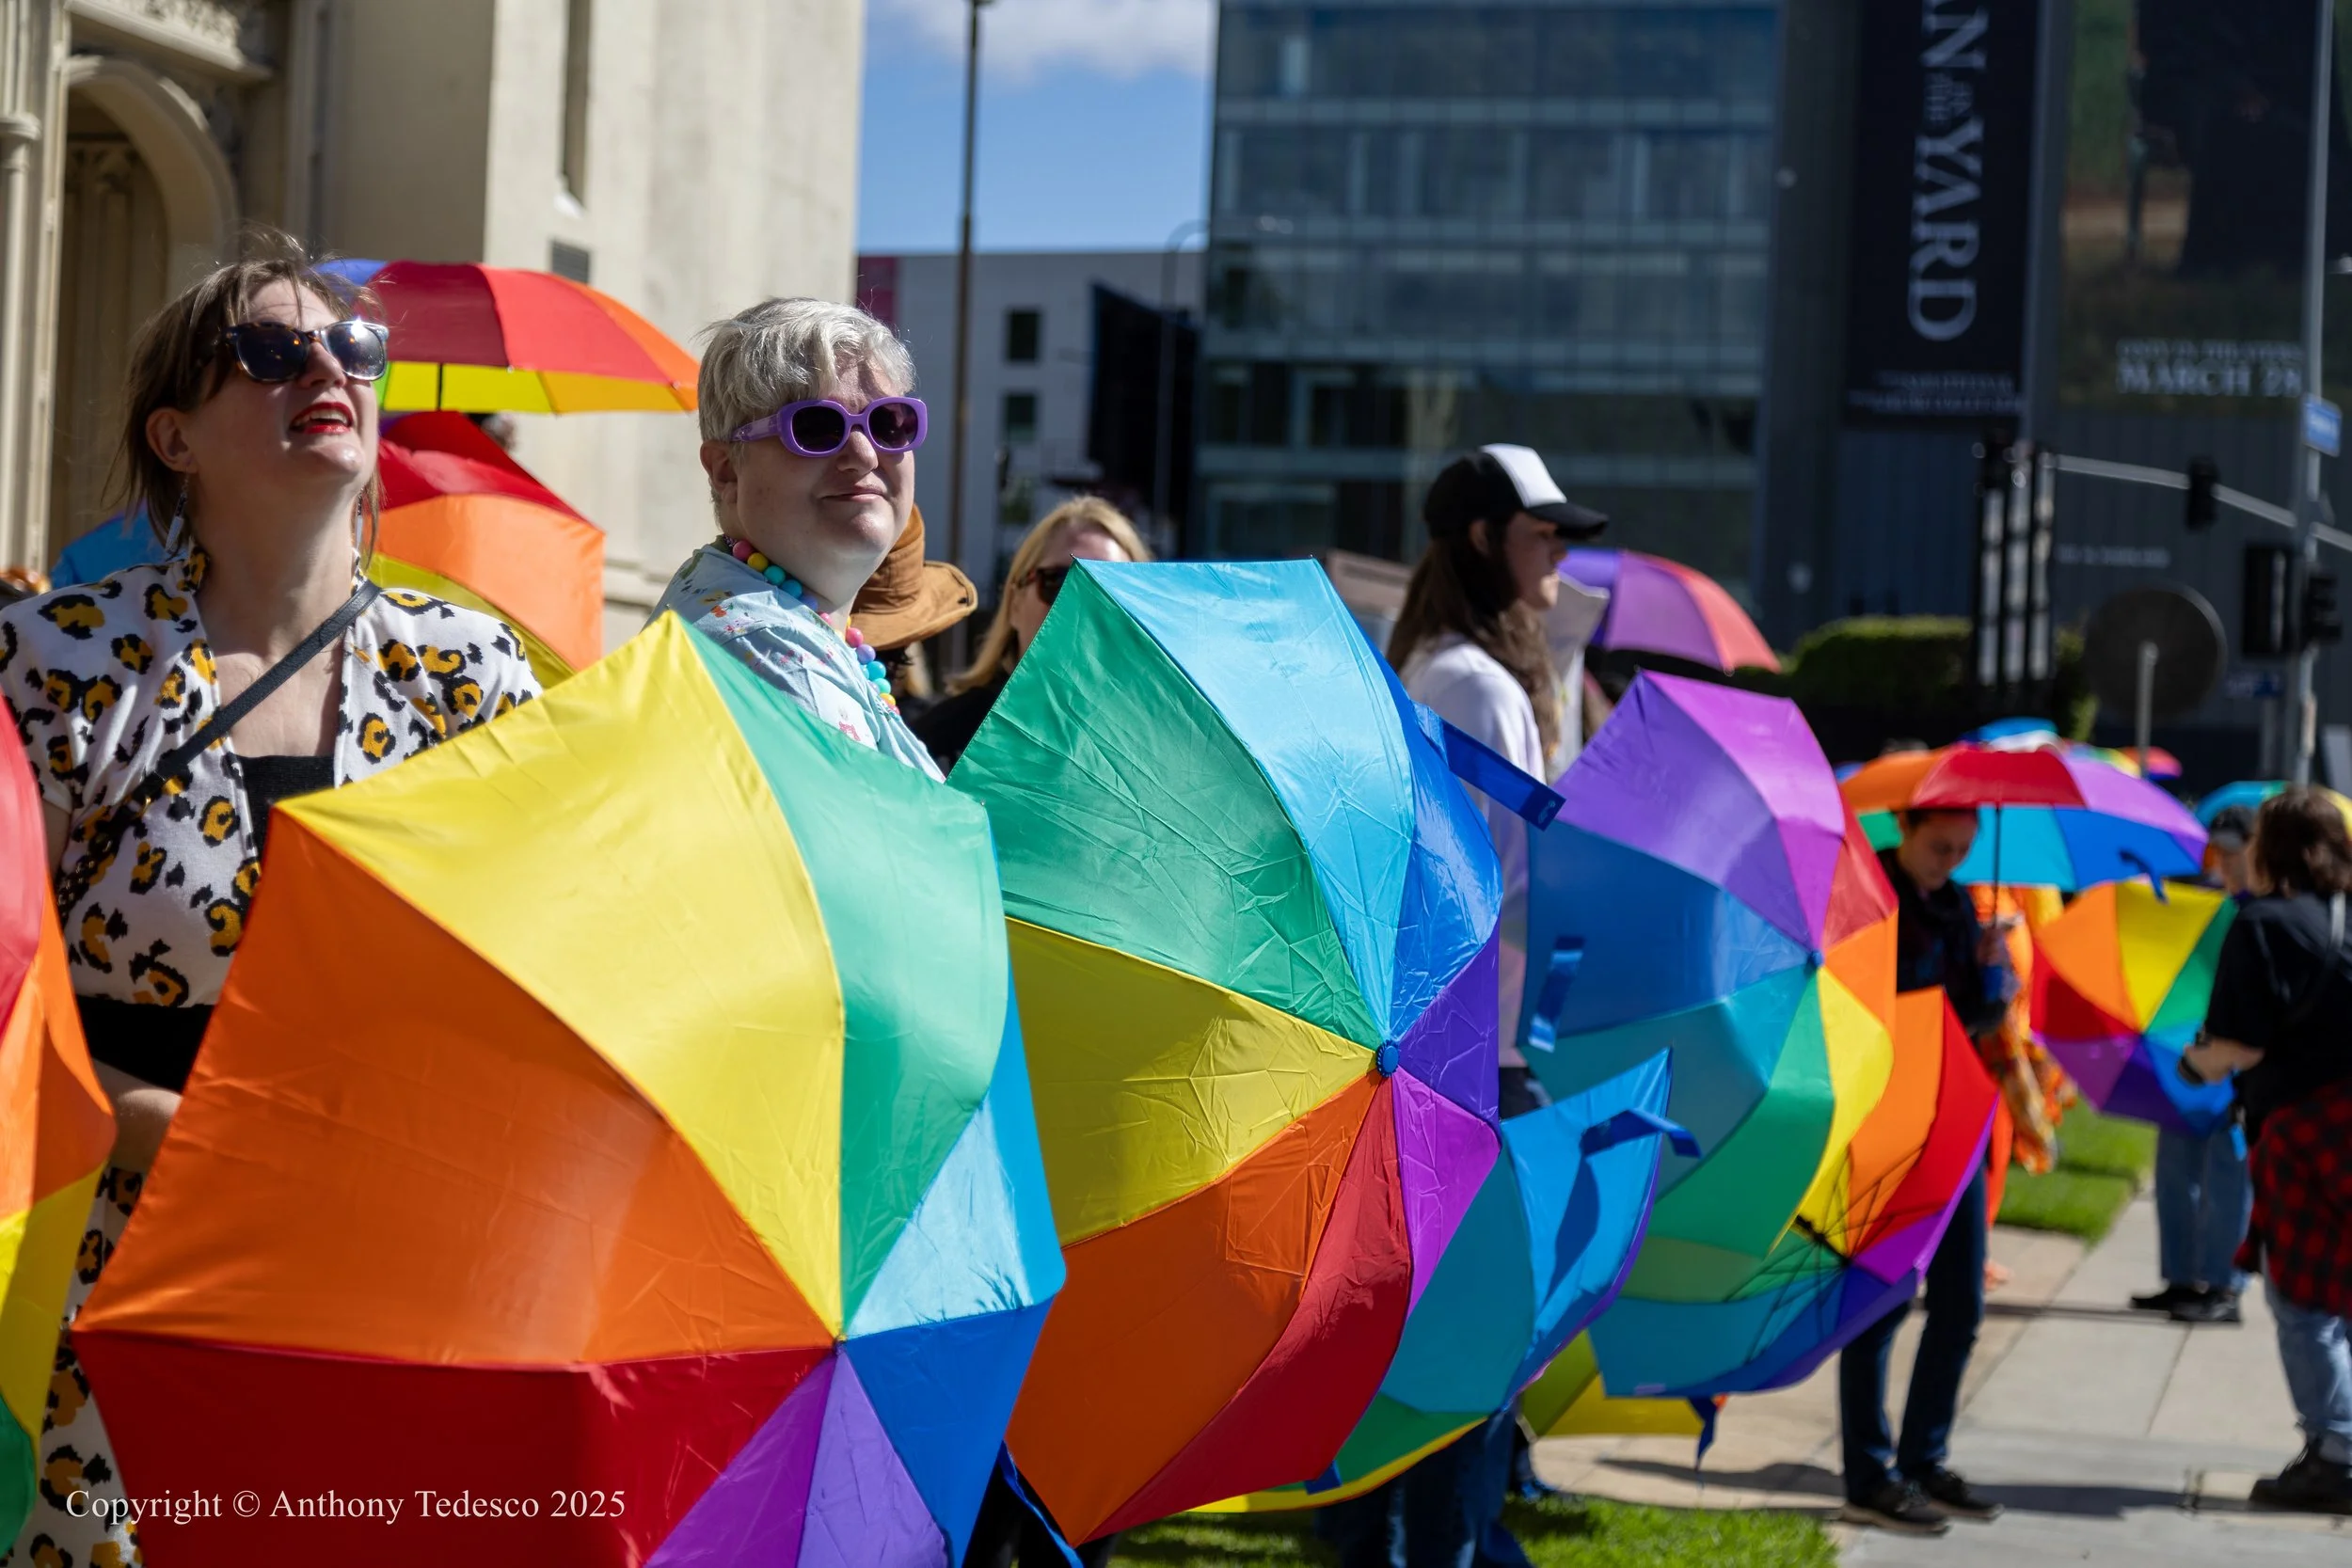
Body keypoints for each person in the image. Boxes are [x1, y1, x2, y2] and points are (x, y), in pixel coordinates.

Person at [0, 247, 539, 1568]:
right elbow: (9, 991)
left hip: (386, 1257)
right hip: (110, 1265)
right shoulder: (58, 659)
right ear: (173, 434)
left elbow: (536, 965)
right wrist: (167, 1135)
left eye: (353, 350)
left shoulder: (471, 667)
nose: (328, 372)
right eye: (270, 351)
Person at [1317, 444, 1605, 1568]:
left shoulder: (1451, 666)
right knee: (1467, 1344)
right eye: (1545, 534)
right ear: (1486, 538)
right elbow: (1489, 881)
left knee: (1437, 1340)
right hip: (1469, 1052)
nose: (1560, 555)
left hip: (1458, 1045)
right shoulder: (1475, 684)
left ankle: (1413, 1540)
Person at [649, 296, 937, 776]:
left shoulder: (765, 616)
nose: (864, 455)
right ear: (726, 472)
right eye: (817, 427)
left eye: (889, 424)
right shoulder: (770, 654)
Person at [1837, 807, 2010, 1536]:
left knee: (1961, 1299)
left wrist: (1994, 972)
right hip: (1887, 1111)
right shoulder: (1868, 889)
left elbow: (1972, 1014)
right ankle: (1871, 1471)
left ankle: (1925, 1454)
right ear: (1906, 830)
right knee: (1880, 1299)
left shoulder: (1958, 904)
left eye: (1963, 849)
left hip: (1952, 1109)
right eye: (1940, 845)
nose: (1949, 860)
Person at [2184, 788, 2352, 1515]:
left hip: (2303, 1130)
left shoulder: (2262, 924)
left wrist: (2198, 1064)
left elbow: (2240, 1044)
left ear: (2267, 848)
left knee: (2303, 1298)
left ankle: (2338, 1453)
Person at [914, 497, 1152, 774]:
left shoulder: (1161, 750)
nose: (1079, 605)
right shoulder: (936, 748)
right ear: (1015, 603)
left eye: (1108, 588)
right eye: (1061, 581)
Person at [2132, 804, 2256, 1324]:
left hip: (2232, 1061)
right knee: (2177, 1167)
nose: (2223, 861)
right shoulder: (2203, 904)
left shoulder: (2261, 913)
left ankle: (2223, 1286)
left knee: (2227, 1175)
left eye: (2233, 851)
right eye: (2218, 851)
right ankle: (2182, 1277)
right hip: (2187, 1052)